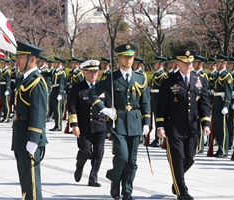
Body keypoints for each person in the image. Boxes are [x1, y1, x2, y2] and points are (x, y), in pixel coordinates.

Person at [88, 44, 150, 200]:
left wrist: (147, 122)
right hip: (118, 121)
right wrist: (104, 109)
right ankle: (114, 180)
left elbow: (146, 101)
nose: (128, 60)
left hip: (135, 121)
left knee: (132, 161)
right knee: (122, 156)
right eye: (125, 57)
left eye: (130, 57)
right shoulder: (111, 77)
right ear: (119, 58)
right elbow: (92, 93)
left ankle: (127, 191)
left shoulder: (140, 77)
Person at [156, 50, 211, 200]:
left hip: (192, 127)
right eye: (185, 63)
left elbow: (204, 103)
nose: (188, 65)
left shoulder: (198, 79)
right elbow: (161, 105)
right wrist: (160, 126)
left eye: (190, 63)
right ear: (178, 63)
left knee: (190, 157)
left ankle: (177, 181)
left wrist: (206, 123)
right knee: (177, 158)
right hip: (173, 127)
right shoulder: (169, 80)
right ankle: (182, 191)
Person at [12, 41, 47, 200]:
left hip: (29, 136)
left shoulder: (37, 82)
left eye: (21, 57)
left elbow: (39, 113)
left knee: (31, 182)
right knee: (25, 180)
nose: (17, 61)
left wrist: (33, 140)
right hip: (20, 135)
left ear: (32, 59)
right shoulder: (24, 79)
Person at [68, 60, 110, 187]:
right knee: (86, 151)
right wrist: (74, 125)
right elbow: (72, 108)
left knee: (98, 153)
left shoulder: (103, 87)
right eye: (91, 72)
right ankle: (79, 165)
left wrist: (111, 126)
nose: (94, 74)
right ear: (84, 72)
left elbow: (109, 106)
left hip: (100, 126)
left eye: (96, 71)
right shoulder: (77, 88)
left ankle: (93, 177)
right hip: (84, 126)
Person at [212, 55, 233, 157]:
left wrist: (226, 105)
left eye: (219, 62)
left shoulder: (227, 76)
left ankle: (224, 150)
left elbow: (228, 92)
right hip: (216, 103)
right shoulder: (217, 75)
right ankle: (220, 148)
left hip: (222, 104)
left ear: (224, 63)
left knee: (223, 128)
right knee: (218, 128)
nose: (217, 64)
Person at [150, 56, 168, 147]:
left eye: (156, 63)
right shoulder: (156, 74)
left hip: (158, 98)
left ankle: (159, 139)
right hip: (154, 98)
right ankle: (157, 138)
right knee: (155, 118)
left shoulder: (163, 75)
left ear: (161, 64)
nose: (154, 64)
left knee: (159, 118)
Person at [49, 57, 66, 131]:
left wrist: (60, 93)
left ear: (60, 63)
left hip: (58, 91)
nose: (54, 64)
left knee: (58, 110)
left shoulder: (62, 72)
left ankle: (59, 126)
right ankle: (56, 125)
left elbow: (62, 83)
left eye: (56, 62)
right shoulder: (55, 71)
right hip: (54, 91)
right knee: (55, 109)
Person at [0, 58, 11, 122]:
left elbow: (8, 81)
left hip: (5, 88)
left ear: (5, 64)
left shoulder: (7, 71)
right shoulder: (3, 70)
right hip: (2, 87)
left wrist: (7, 89)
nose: (1, 64)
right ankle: (4, 117)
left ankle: (7, 117)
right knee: (3, 103)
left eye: (2, 63)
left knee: (6, 103)